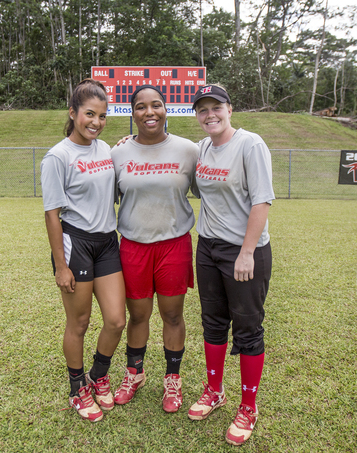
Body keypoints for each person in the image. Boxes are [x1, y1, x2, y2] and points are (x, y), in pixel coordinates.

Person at [187, 84, 275, 446]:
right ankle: (214, 390)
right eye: (203, 109)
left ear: (230, 109)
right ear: (197, 115)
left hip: (244, 250)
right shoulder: (204, 148)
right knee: (213, 322)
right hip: (207, 247)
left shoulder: (250, 144)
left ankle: (249, 407)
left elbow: (262, 201)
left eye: (216, 107)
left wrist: (246, 252)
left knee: (248, 328)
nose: (210, 114)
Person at [40, 79, 126, 422]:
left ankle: (98, 375)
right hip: (76, 245)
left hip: (107, 242)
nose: (96, 122)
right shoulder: (57, 156)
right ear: (73, 113)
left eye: (102, 116)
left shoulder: (105, 149)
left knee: (117, 320)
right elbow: (51, 214)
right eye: (89, 114)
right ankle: (78, 388)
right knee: (79, 322)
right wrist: (61, 266)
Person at [110, 85, 199, 413]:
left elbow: (210, 189)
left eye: (157, 105)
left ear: (167, 109)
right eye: (141, 107)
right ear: (131, 113)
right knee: (138, 315)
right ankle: (135, 373)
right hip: (133, 245)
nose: (150, 112)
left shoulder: (188, 150)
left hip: (174, 244)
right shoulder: (117, 154)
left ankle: (172, 380)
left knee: (173, 314)